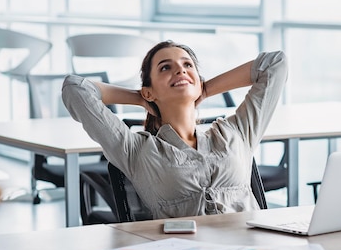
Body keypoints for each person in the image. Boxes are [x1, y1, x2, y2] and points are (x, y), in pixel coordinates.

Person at [62, 40, 288, 219]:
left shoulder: (235, 132)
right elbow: (75, 88)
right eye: (166, 68)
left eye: (187, 65)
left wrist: (205, 89)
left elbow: (275, 63)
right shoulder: (136, 150)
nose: (180, 70)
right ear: (149, 91)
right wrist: (141, 98)